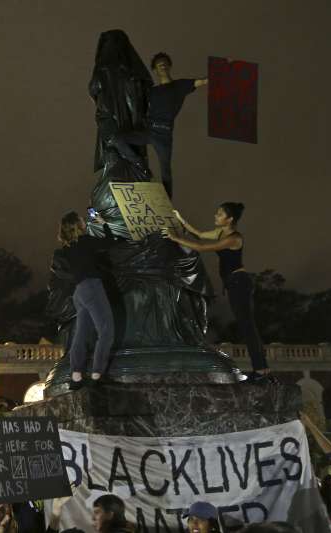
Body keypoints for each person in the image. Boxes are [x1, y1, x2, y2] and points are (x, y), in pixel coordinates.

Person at [164, 203, 276, 383]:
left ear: (229, 219)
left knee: (248, 327)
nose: (215, 216)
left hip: (240, 283)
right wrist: (180, 219)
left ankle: (262, 370)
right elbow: (199, 234)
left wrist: (175, 237)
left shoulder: (234, 238)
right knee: (246, 326)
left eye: (220, 214)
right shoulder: (221, 233)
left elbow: (201, 247)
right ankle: (262, 369)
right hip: (233, 284)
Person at [107, 52, 207, 197]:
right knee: (117, 138)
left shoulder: (179, 86)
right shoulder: (152, 92)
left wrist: (225, 68)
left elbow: (203, 81)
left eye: (165, 64)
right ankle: (140, 165)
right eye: (159, 65)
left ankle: (167, 203)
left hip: (164, 134)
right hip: (148, 130)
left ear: (169, 66)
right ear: (155, 69)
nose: (163, 66)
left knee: (165, 170)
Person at [56, 211, 116, 391]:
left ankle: (76, 376)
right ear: (77, 224)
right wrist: (103, 223)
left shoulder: (67, 249)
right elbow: (110, 243)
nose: (84, 220)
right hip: (92, 288)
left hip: (79, 292)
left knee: (80, 334)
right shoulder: (86, 242)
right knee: (106, 330)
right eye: (81, 219)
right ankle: (97, 374)